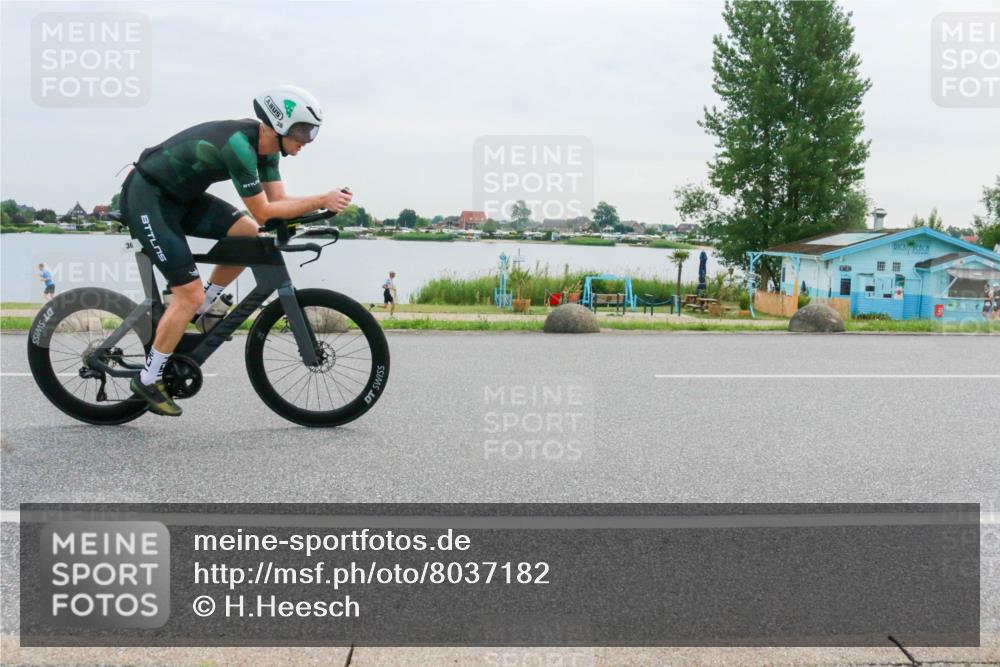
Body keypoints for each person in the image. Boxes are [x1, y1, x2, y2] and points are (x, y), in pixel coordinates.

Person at [119, 85, 353, 416]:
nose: (307, 139)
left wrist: (320, 208)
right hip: (149, 198)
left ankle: (205, 309)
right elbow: (264, 211)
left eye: (312, 131)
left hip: (182, 199)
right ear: (279, 124)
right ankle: (149, 376)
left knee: (247, 234)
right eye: (303, 130)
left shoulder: (268, 150)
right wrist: (320, 199)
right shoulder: (240, 147)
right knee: (188, 294)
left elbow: (277, 203)